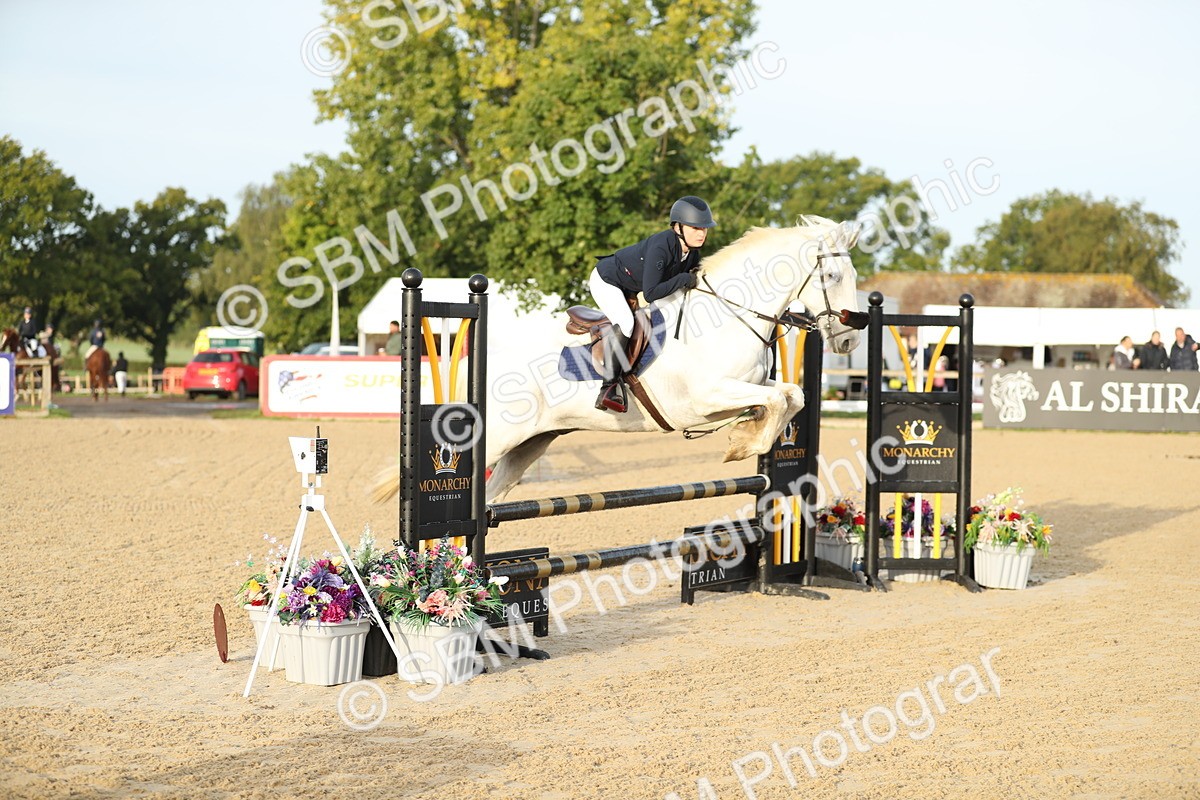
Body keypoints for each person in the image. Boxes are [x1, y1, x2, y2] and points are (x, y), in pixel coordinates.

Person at [587, 196, 716, 412]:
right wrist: (684, 279)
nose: (701, 233)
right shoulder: (662, 246)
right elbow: (652, 293)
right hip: (607, 279)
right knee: (627, 322)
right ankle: (607, 388)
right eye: (695, 228)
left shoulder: (692, 254)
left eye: (704, 228)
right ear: (678, 227)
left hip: (628, 286)